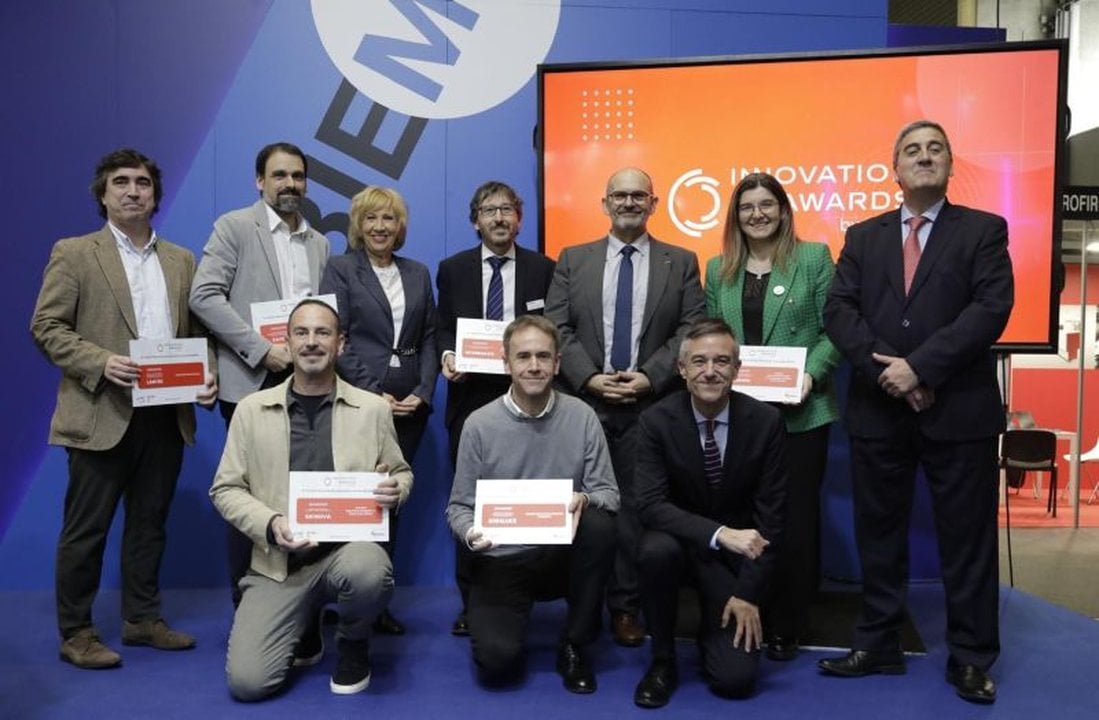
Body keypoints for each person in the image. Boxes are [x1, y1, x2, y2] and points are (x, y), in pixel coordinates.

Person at [820, 120, 1013, 705]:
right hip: (879, 410)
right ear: (895, 169)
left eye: (935, 149)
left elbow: (990, 309)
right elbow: (839, 311)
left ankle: (971, 657)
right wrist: (890, 373)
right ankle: (878, 643)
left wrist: (920, 368)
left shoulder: (983, 230)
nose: (924, 157)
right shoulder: (863, 236)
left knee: (967, 541)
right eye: (912, 150)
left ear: (950, 165)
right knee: (878, 535)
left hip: (960, 413)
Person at [30, 148, 217, 669]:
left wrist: (206, 375)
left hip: (165, 413)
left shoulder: (180, 259)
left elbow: (196, 333)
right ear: (103, 193)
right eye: (121, 182)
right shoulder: (74, 252)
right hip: (100, 411)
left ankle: (142, 619)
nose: (133, 191)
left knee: (149, 524)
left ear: (155, 196)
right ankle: (77, 632)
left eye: (143, 183)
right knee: (86, 530)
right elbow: (46, 327)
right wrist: (101, 361)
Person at [209, 299, 412, 700]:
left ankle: (353, 641)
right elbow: (225, 489)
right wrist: (270, 524)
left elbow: (401, 472)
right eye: (301, 333)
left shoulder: (372, 409)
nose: (312, 342)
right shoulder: (250, 410)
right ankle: (305, 625)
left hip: (347, 554)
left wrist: (396, 490)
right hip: (278, 564)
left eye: (323, 332)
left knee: (370, 572)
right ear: (286, 342)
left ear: (341, 344)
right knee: (248, 684)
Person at [544, 167, 705, 646]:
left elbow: (689, 330)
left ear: (654, 203)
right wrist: (589, 378)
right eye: (620, 195)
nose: (629, 203)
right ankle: (582, 607)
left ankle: (626, 608)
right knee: (585, 510)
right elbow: (556, 327)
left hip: (650, 407)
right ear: (605, 203)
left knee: (636, 511)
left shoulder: (681, 261)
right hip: (583, 405)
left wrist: (649, 377)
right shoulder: (573, 259)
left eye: (639, 196)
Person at [704, 172, 841, 660]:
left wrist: (813, 375)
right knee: (742, 516)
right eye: (747, 207)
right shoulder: (719, 268)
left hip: (801, 414)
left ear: (783, 211)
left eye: (766, 205)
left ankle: (788, 622)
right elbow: (712, 336)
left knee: (795, 520)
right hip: (738, 417)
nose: (757, 214)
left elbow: (835, 328)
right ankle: (744, 610)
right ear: (735, 216)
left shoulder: (813, 258)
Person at [189, 141, 330, 608]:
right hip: (251, 379)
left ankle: (301, 597)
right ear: (259, 181)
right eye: (279, 175)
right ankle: (249, 601)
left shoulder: (320, 243)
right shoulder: (234, 226)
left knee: (303, 489)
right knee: (250, 495)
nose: (290, 184)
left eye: (298, 176)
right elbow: (204, 296)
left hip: (306, 382)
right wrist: (260, 350)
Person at [445, 316, 618, 693]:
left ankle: (575, 642)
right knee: (496, 662)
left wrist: (584, 498)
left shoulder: (582, 416)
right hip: (501, 558)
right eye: (523, 356)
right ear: (506, 363)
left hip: (561, 557)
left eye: (543, 356)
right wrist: (471, 534)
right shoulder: (478, 424)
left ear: (557, 363)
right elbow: (458, 507)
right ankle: (506, 623)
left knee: (600, 525)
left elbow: (609, 494)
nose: (534, 366)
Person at [632, 318, 787, 707]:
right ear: (682, 369)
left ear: (737, 369)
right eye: (699, 361)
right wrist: (718, 533)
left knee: (735, 680)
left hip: (735, 562)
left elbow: (772, 519)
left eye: (722, 361)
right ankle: (662, 659)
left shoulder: (766, 422)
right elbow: (650, 505)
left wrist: (748, 594)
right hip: (679, 547)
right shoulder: (655, 421)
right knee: (654, 550)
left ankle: (712, 629)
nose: (710, 371)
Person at [436, 181, 556, 635]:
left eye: (507, 209)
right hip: (470, 401)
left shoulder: (544, 268)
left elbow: (553, 330)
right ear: (476, 221)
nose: (499, 218)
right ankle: (472, 602)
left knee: (527, 496)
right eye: (489, 210)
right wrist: (449, 355)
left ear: (519, 218)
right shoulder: (452, 269)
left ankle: (526, 591)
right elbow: (443, 327)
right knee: (470, 502)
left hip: (531, 401)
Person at [320, 185, 438, 635]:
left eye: (389, 218)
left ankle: (378, 600)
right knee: (358, 502)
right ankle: (347, 595)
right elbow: (338, 337)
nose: (380, 227)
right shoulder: (340, 269)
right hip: (359, 402)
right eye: (371, 218)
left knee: (391, 504)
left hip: (410, 407)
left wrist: (424, 390)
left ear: (400, 226)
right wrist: (373, 394)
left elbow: (430, 336)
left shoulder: (418, 272)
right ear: (358, 224)